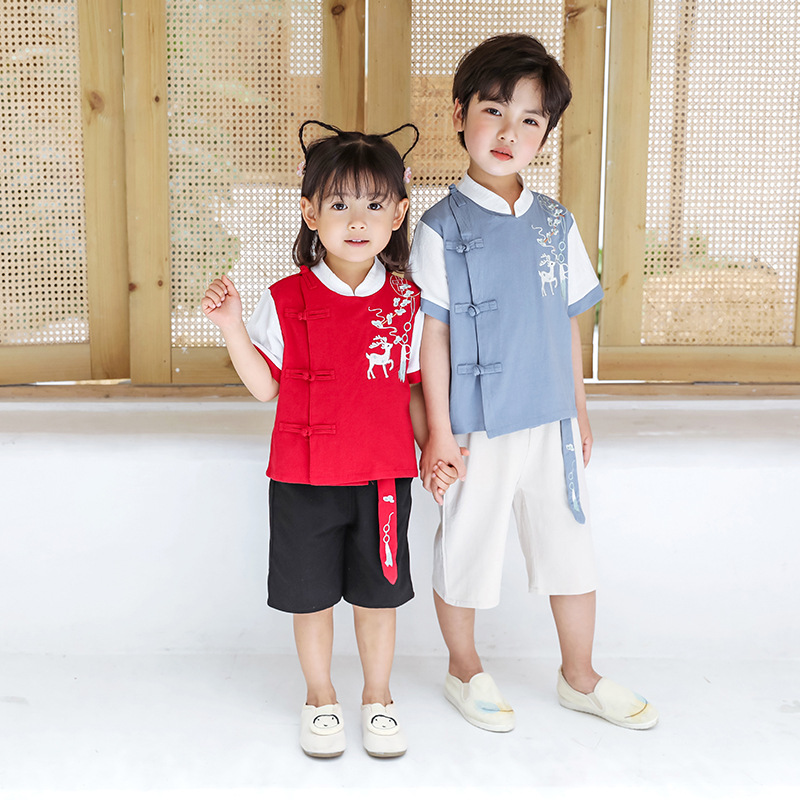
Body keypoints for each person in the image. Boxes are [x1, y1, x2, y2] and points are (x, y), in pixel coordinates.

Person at [411, 33, 658, 732]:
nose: (508, 133)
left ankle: (580, 676)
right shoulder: (439, 228)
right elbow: (432, 337)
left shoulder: (556, 223)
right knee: (466, 547)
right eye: (493, 111)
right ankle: (465, 669)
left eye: (529, 120)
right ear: (459, 113)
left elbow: (568, 323)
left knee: (568, 547)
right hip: (476, 425)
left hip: (550, 418)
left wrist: (579, 410)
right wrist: (437, 434)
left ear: (545, 136)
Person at [202, 121, 456, 759]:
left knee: (378, 597)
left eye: (374, 204)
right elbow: (266, 387)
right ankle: (320, 698)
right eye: (339, 204)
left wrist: (434, 450)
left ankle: (379, 698)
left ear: (399, 214)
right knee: (310, 599)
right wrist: (232, 326)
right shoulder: (284, 297)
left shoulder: (407, 301)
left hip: (382, 478)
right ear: (310, 213)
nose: (357, 220)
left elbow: (415, 389)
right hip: (303, 477)